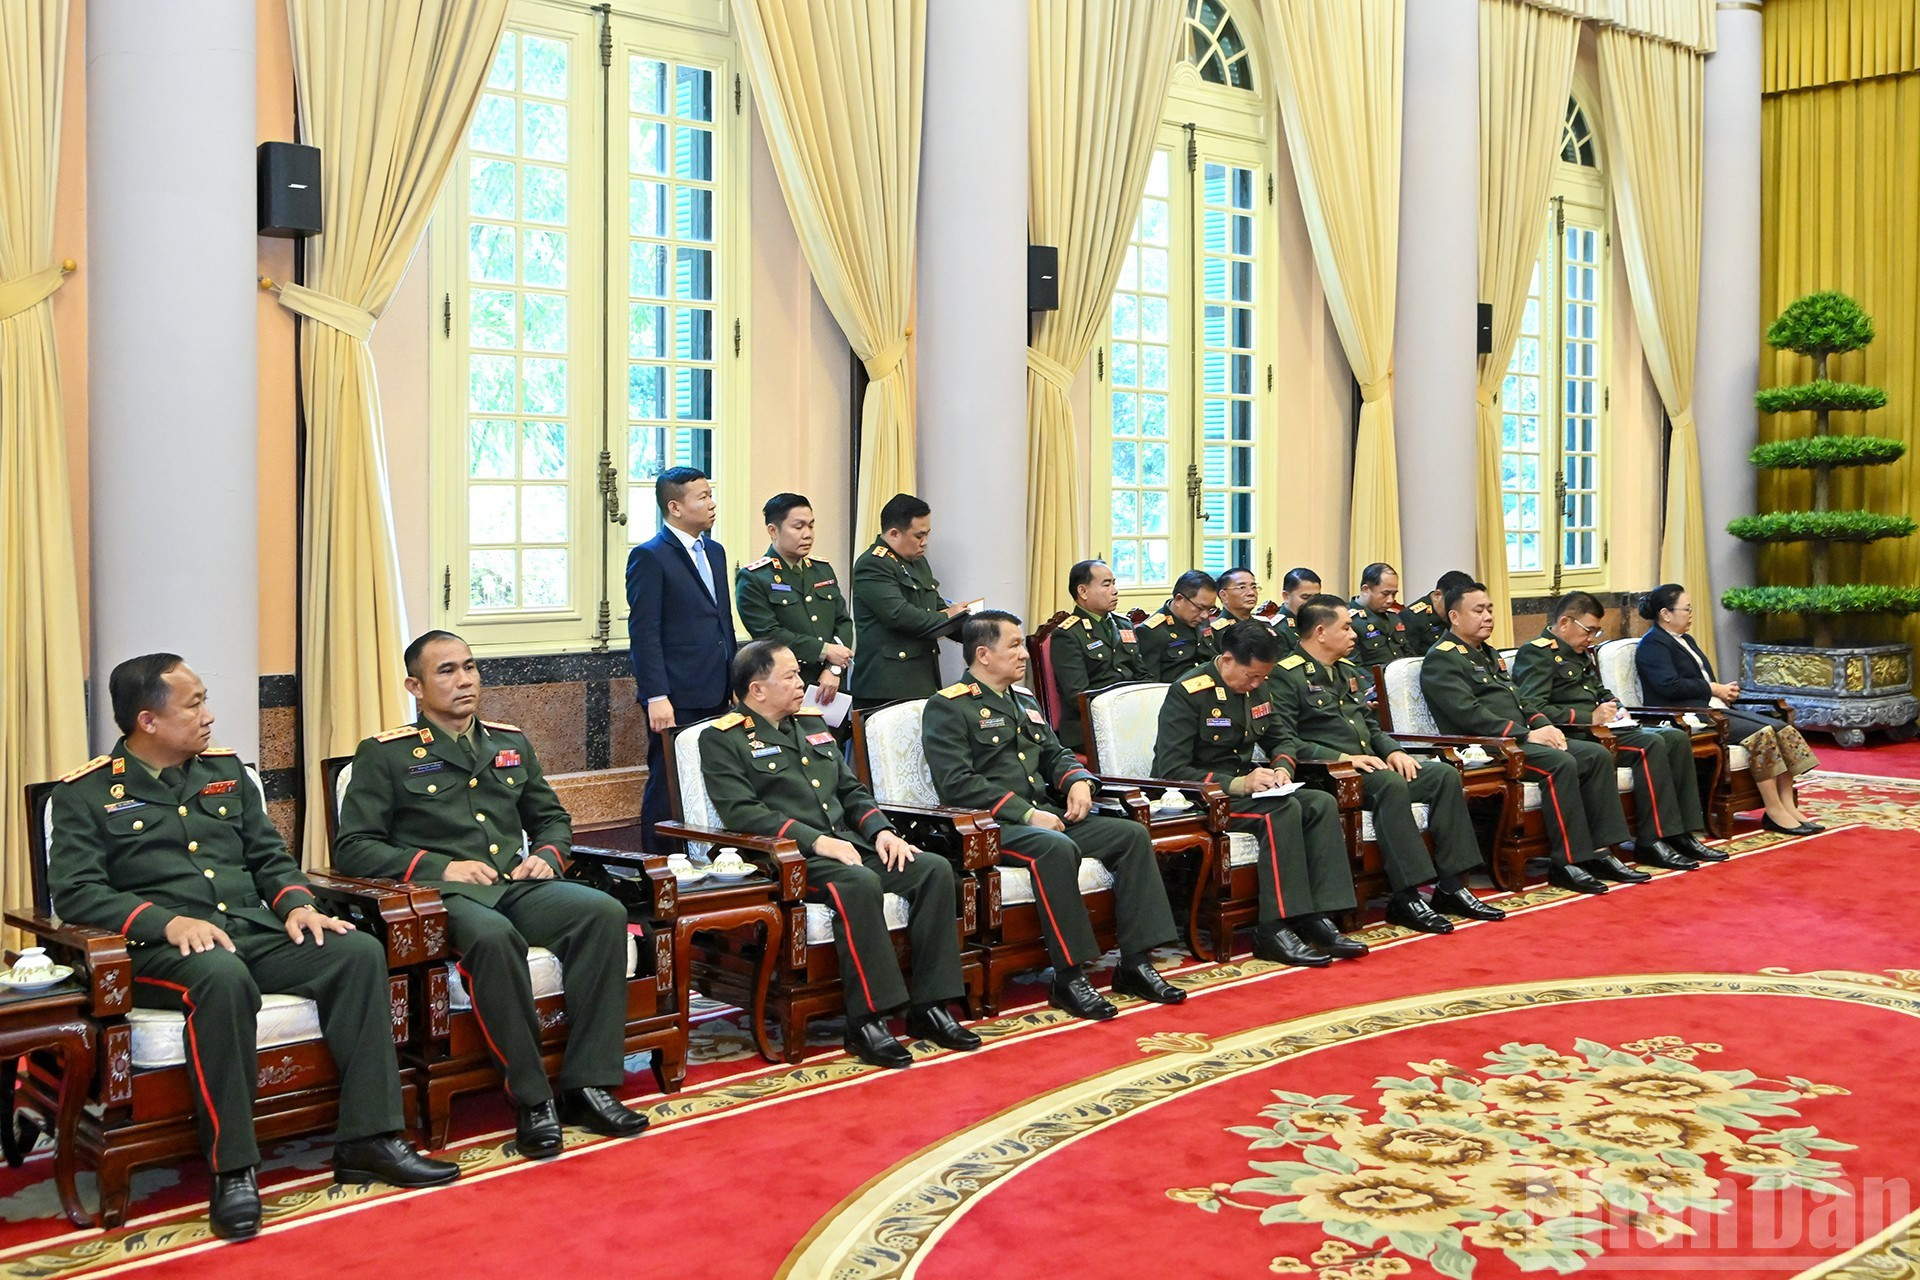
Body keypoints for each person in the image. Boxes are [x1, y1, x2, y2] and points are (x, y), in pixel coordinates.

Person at [52, 655, 456, 1240]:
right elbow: (77, 892)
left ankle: (371, 1139)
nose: (209, 716)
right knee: (222, 978)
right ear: (148, 720)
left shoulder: (226, 774)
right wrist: (166, 923)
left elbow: (270, 859)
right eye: (194, 704)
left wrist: (298, 906)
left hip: (246, 930)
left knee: (356, 953)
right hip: (157, 951)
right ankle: (234, 1170)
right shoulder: (87, 793)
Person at [337, 632, 650, 1162]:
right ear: (415, 687)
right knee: (495, 938)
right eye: (447, 671)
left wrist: (547, 855)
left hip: (512, 884)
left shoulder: (509, 743)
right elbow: (354, 847)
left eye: (470, 667)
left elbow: (551, 818)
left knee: (602, 912)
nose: (464, 680)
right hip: (441, 897)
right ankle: (532, 1101)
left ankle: (587, 1086)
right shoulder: (385, 754)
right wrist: (441, 867)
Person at [700, 641, 979, 1069]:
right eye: (790, 676)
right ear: (757, 689)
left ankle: (931, 1005)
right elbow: (742, 812)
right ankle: (867, 1020)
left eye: (799, 674)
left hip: (849, 844)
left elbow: (850, 791)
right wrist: (816, 841)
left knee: (932, 870)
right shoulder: (723, 739)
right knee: (859, 883)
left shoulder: (811, 723)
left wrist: (882, 832)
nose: (802, 683)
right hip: (789, 860)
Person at [923, 611, 1186, 1019]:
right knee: (1055, 848)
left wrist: (1078, 781)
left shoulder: (1023, 700)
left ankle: (1136, 962)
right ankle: (1069, 975)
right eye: (1013, 645)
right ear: (983, 654)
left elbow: (1055, 754)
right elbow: (957, 782)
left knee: (1131, 836)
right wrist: (1026, 813)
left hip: (1045, 817)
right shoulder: (948, 706)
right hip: (990, 828)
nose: (1024, 654)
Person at [1273, 597, 1507, 931]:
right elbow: (1285, 740)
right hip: (1329, 775)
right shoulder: (1286, 675)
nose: (1354, 634)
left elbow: (1370, 727)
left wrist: (1394, 751)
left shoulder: (1345, 671)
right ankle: (1407, 896)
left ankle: (1453, 886)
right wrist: (1344, 758)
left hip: (1370, 766)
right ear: (1321, 632)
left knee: (1442, 775)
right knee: (1390, 783)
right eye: (1346, 628)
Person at [1151, 620, 1368, 965]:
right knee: (1282, 812)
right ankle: (1274, 929)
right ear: (1227, 660)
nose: (1256, 684)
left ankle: (1319, 918)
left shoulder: (1259, 687)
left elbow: (1281, 739)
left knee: (1320, 803)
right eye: (1251, 676)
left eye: (1262, 677)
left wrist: (1282, 769)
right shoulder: (1190, 692)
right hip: (1204, 797)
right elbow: (1170, 769)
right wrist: (1240, 784)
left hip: (1251, 788)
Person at [1420, 581, 1640, 895]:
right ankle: (1567, 863)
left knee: (1595, 755)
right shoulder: (1442, 658)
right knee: (1560, 763)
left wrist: (1544, 726)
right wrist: (1527, 734)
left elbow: (1521, 700)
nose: (1488, 616)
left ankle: (1602, 851)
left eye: (1490, 609)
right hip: (1487, 747)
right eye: (1479, 610)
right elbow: (1469, 714)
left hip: (1518, 740)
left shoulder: (1486, 652)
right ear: (1454, 617)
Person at [1514, 592, 1724, 869]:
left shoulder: (1579, 651)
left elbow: (1599, 690)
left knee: (1675, 737)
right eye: (1589, 630)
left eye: (1596, 632)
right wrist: (1589, 716)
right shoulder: (1537, 653)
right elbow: (1532, 707)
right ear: (1565, 623)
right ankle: (1651, 840)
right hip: (1578, 733)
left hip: (1606, 728)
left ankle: (1681, 833)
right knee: (1649, 745)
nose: (1592, 638)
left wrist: (1616, 705)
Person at [1635, 583, 1823, 834]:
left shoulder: (1685, 640)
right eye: (1686, 609)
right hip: (1686, 715)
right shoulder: (1652, 645)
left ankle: (1788, 806)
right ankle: (1774, 810)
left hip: (1711, 708)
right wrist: (1713, 689)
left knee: (1782, 729)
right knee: (1762, 734)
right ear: (1666, 614)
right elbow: (1669, 686)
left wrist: (1722, 691)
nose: (1691, 614)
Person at [627, 467, 737, 849]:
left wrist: (734, 679)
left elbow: (723, 621)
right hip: (676, 694)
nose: (712, 503)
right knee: (668, 781)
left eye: (710, 494)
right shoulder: (650, 556)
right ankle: (658, 866)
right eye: (702, 497)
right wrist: (656, 695)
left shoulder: (715, 552)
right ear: (675, 507)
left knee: (710, 777)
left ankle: (707, 857)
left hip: (717, 688)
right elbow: (644, 633)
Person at [734, 493, 854, 718]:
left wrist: (834, 669)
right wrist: (824, 651)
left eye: (811, 526)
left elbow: (843, 622)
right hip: (783, 688)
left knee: (828, 740)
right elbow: (769, 634)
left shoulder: (821, 570)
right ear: (773, 530)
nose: (807, 534)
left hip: (831, 686)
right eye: (798, 527)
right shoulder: (754, 577)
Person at [849, 492, 968, 708]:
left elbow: (937, 607)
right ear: (894, 534)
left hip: (923, 680)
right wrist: (947, 616)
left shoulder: (918, 563)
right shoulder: (873, 564)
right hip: (888, 686)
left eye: (927, 534)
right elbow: (899, 614)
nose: (925, 542)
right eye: (919, 536)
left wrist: (976, 628)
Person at [1048, 559, 1150, 752]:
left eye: (1114, 583)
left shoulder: (1123, 625)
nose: (1115, 591)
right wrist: (1125, 709)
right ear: (1083, 591)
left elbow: (1142, 675)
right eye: (1106, 585)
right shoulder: (1068, 634)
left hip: (1130, 717)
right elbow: (1078, 696)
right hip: (1090, 728)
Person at [1136, 569, 1222, 680]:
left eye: (1210, 609)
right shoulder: (1151, 632)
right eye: (1200, 608)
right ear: (1179, 600)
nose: (1205, 615)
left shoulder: (1201, 620)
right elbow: (1149, 682)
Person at [1349, 562, 1421, 676]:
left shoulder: (1393, 617)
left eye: (1394, 594)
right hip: (1373, 684)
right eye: (1385, 594)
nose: (1390, 600)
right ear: (1366, 589)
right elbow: (1353, 668)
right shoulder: (1349, 621)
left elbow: (1409, 654)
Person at [1403, 570, 1473, 654]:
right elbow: (1410, 658)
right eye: (1452, 604)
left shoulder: (1461, 615)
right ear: (1437, 595)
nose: (1456, 610)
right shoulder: (1411, 618)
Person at [1272, 567, 1323, 654]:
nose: (1313, 602)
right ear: (1286, 596)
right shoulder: (1278, 630)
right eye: (1305, 597)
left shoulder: (1321, 620)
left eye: (1317, 597)